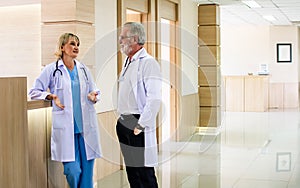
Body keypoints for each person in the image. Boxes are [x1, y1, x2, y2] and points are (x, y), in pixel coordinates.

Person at [28, 33, 102, 188]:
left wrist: (93, 95)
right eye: (72, 44)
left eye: (78, 45)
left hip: (85, 129)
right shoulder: (51, 69)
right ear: (62, 47)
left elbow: (95, 91)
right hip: (66, 129)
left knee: (87, 173)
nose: (76, 47)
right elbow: (33, 91)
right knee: (72, 170)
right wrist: (51, 96)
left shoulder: (83, 70)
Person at [116, 22, 162, 188]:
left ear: (134, 39)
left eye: (123, 37)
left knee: (144, 172)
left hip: (137, 123)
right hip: (124, 122)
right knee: (132, 172)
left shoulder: (148, 63)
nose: (120, 40)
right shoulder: (129, 61)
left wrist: (141, 124)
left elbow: (154, 98)